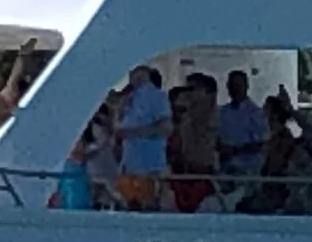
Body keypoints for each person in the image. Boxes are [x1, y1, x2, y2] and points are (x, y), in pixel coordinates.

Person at [114, 66, 173, 211]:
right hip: (129, 162)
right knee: (129, 203)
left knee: (148, 205)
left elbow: (166, 128)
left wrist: (135, 132)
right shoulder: (129, 98)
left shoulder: (157, 97)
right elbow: (117, 126)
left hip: (149, 164)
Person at [169, 72, 220, 212]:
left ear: (209, 94)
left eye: (194, 89)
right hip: (184, 175)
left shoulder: (216, 117)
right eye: (187, 89)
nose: (189, 94)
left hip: (204, 176)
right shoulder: (185, 120)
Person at [215, 71, 268, 201]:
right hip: (224, 171)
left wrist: (235, 150)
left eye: (239, 85)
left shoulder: (256, 113)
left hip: (247, 172)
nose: (235, 89)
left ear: (246, 86)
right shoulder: (222, 112)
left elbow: (262, 143)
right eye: (232, 85)